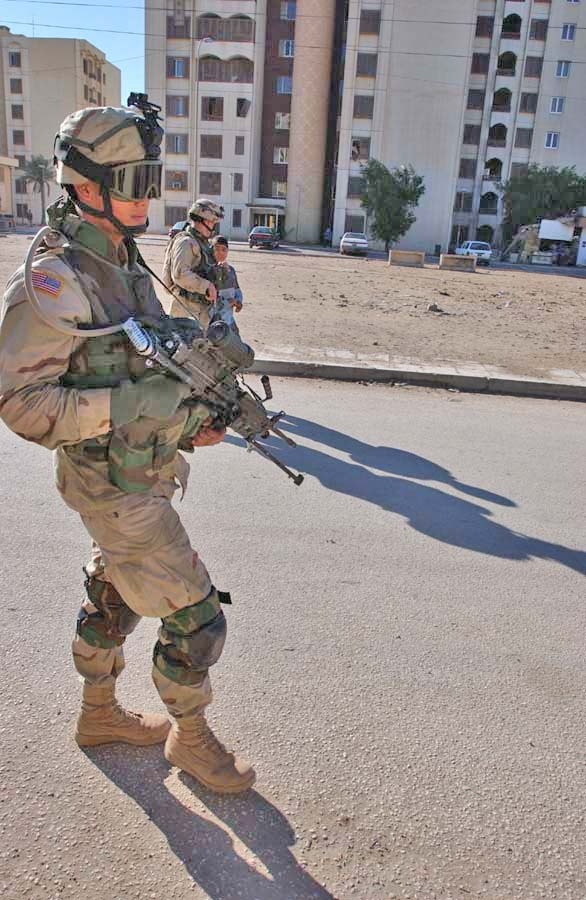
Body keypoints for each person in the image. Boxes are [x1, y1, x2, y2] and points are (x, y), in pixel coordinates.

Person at [0, 100, 255, 794]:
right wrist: (129, 407)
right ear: (85, 185)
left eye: (152, 179)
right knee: (196, 620)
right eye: (133, 181)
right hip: (110, 484)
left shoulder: (120, 257)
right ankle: (192, 741)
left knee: (114, 594)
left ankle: (98, 714)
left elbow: (134, 361)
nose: (147, 197)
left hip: (136, 469)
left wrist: (186, 422)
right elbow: (20, 404)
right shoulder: (54, 282)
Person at [163, 199, 223, 328]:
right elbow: (180, 275)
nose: (213, 227)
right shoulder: (186, 242)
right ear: (205, 221)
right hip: (185, 309)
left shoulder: (202, 242)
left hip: (201, 309)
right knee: (185, 347)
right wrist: (206, 285)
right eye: (213, 222)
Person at [211, 235, 243, 313]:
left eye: (223, 249)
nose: (220, 252)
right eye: (217, 249)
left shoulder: (231, 270)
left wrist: (238, 302)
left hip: (228, 318)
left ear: (227, 251)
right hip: (212, 318)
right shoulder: (209, 270)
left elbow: (237, 289)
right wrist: (226, 302)